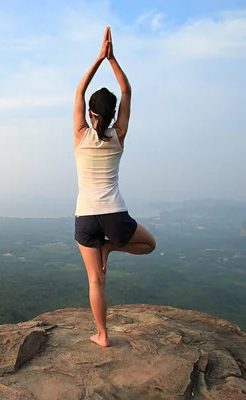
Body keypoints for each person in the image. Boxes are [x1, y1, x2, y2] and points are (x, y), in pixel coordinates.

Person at [73, 27, 156, 347]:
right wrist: (113, 59)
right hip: (114, 216)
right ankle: (111, 246)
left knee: (95, 280)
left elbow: (78, 93)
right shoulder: (118, 135)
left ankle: (102, 336)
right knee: (149, 244)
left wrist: (98, 58)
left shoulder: (81, 134)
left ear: (92, 113)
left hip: (85, 217)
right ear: (112, 115)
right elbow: (127, 91)